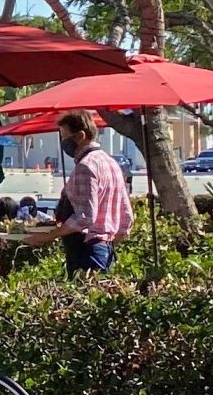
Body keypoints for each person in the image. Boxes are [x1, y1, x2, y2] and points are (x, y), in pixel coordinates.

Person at [22, 111, 134, 276]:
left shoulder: (85, 166)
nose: (63, 143)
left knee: (84, 296)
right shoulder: (111, 163)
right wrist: (106, 241)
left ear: (81, 135)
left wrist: (48, 236)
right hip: (105, 250)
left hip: (86, 251)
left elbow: (84, 216)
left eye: (65, 137)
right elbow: (127, 217)